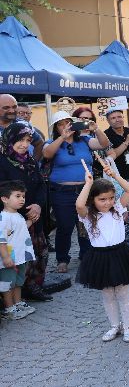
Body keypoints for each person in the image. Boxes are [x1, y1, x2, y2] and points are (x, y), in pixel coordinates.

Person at [75, 158, 129, 343]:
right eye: (102, 199)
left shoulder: (118, 208)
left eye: (111, 198)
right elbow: (79, 205)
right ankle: (114, 325)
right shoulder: (88, 216)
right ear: (93, 199)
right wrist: (88, 184)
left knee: (123, 293)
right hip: (100, 257)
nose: (107, 202)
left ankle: (128, 326)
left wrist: (115, 176)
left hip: (120, 254)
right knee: (107, 295)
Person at [42, 110, 110, 273]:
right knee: (64, 225)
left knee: (85, 224)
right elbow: (47, 154)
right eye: (60, 124)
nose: (65, 126)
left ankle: (86, 256)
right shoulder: (52, 142)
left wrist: (96, 129)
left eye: (68, 122)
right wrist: (62, 138)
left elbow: (104, 144)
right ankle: (62, 259)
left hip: (85, 189)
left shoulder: (85, 140)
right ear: (56, 128)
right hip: (62, 191)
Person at [0, 123, 49, 302]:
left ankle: (34, 286)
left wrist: (37, 206)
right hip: (13, 218)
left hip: (35, 216)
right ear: (10, 140)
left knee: (38, 252)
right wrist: (25, 208)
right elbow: (4, 192)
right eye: (20, 140)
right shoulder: (2, 163)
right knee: (17, 255)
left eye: (28, 140)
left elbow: (41, 185)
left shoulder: (30, 161)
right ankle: (14, 295)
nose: (24, 144)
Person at [0, 181, 35, 321]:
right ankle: (9, 308)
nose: (22, 199)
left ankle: (18, 303)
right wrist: (6, 257)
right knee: (7, 283)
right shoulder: (3, 218)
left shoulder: (18, 215)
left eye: (23, 196)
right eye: (18, 196)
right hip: (9, 258)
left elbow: (20, 229)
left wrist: (31, 221)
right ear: (4, 198)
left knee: (18, 281)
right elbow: (1, 240)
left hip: (20, 257)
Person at [103, 109, 129, 181]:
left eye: (119, 117)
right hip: (117, 175)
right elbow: (111, 155)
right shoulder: (106, 135)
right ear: (108, 121)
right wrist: (127, 142)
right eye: (113, 118)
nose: (117, 120)